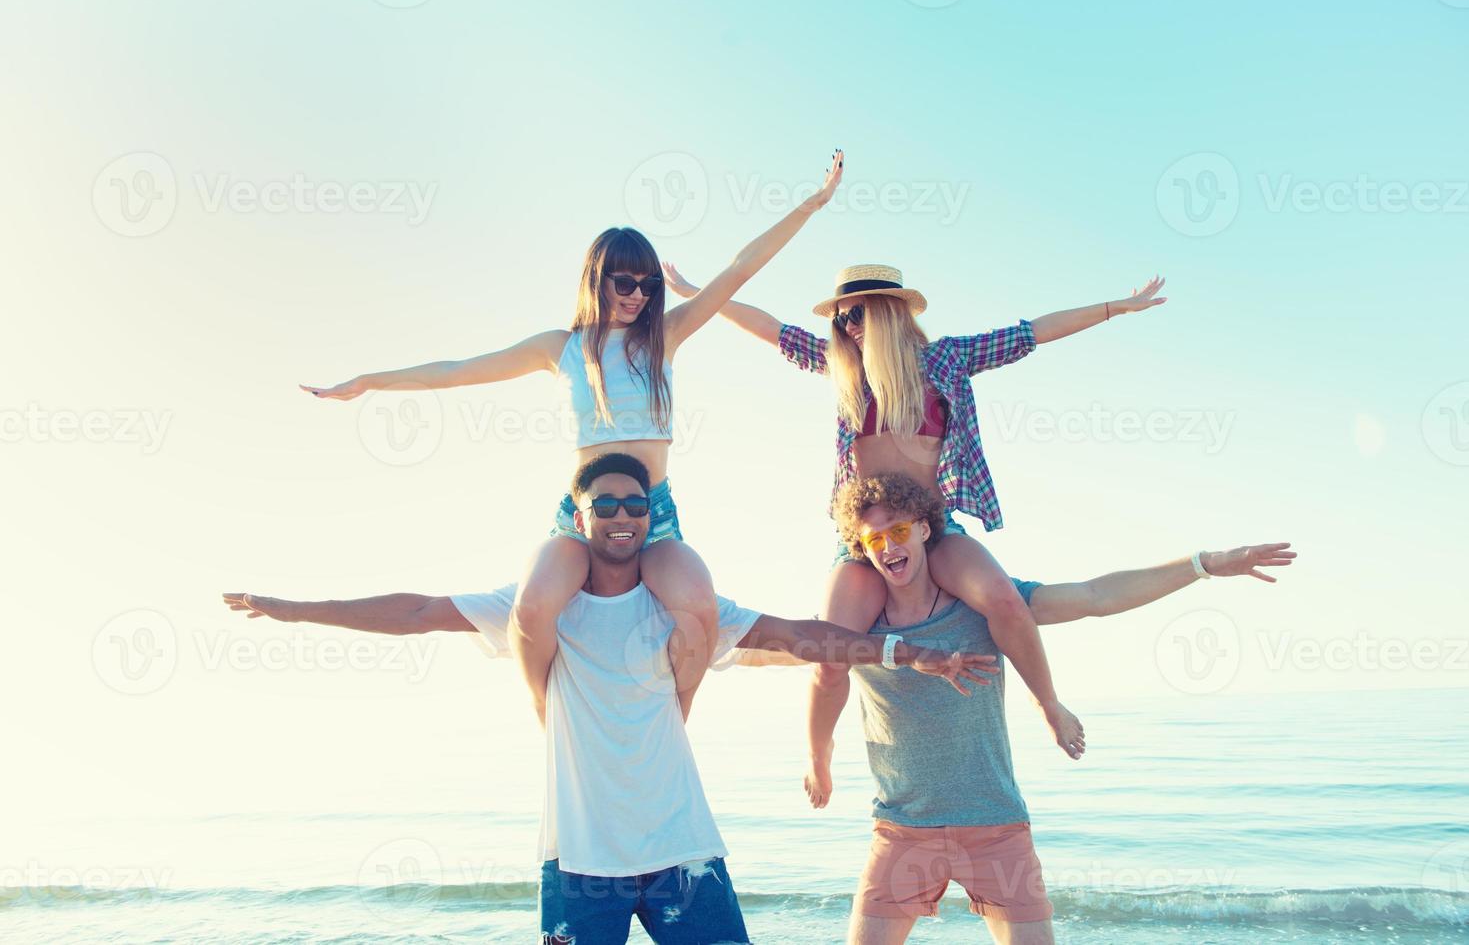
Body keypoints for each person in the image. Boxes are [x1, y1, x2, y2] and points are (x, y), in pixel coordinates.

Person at [230, 453, 997, 944]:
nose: (623, 515)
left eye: (635, 504)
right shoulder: (535, 607)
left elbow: (805, 635)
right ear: (580, 515)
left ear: (648, 516)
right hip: (580, 864)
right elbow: (417, 611)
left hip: (683, 859)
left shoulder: (686, 609)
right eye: (606, 504)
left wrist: (909, 653)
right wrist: (298, 609)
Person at [300, 150, 845, 722]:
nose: (637, 294)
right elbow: (458, 370)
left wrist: (814, 201)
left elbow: (740, 266)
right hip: (581, 514)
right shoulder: (560, 349)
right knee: (532, 606)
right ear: (598, 280)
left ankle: (676, 720)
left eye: (647, 285)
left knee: (698, 605)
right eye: (625, 282)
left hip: (650, 513)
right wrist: (371, 383)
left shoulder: (667, 337)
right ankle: (547, 714)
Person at [662, 260, 1168, 758]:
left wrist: (1117, 308)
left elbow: (1031, 334)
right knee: (831, 656)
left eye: (855, 315)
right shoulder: (842, 368)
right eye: (839, 319)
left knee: (1006, 600)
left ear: (888, 312)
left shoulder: (945, 360)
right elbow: (769, 328)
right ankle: (819, 754)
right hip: (863, 540)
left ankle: (1049, 705)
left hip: (933, 526)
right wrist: (694, 290)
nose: (846, 328)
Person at [811, 473, 1294, 944]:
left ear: (924, 529)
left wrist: (1203, 564)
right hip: (901, 831)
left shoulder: (983, 607)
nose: (889, 547)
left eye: (899, 531)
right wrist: (819, 760)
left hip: (995, 829)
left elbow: (1094, 596)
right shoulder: (864, 632)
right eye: (875, 539)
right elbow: (810, 664)